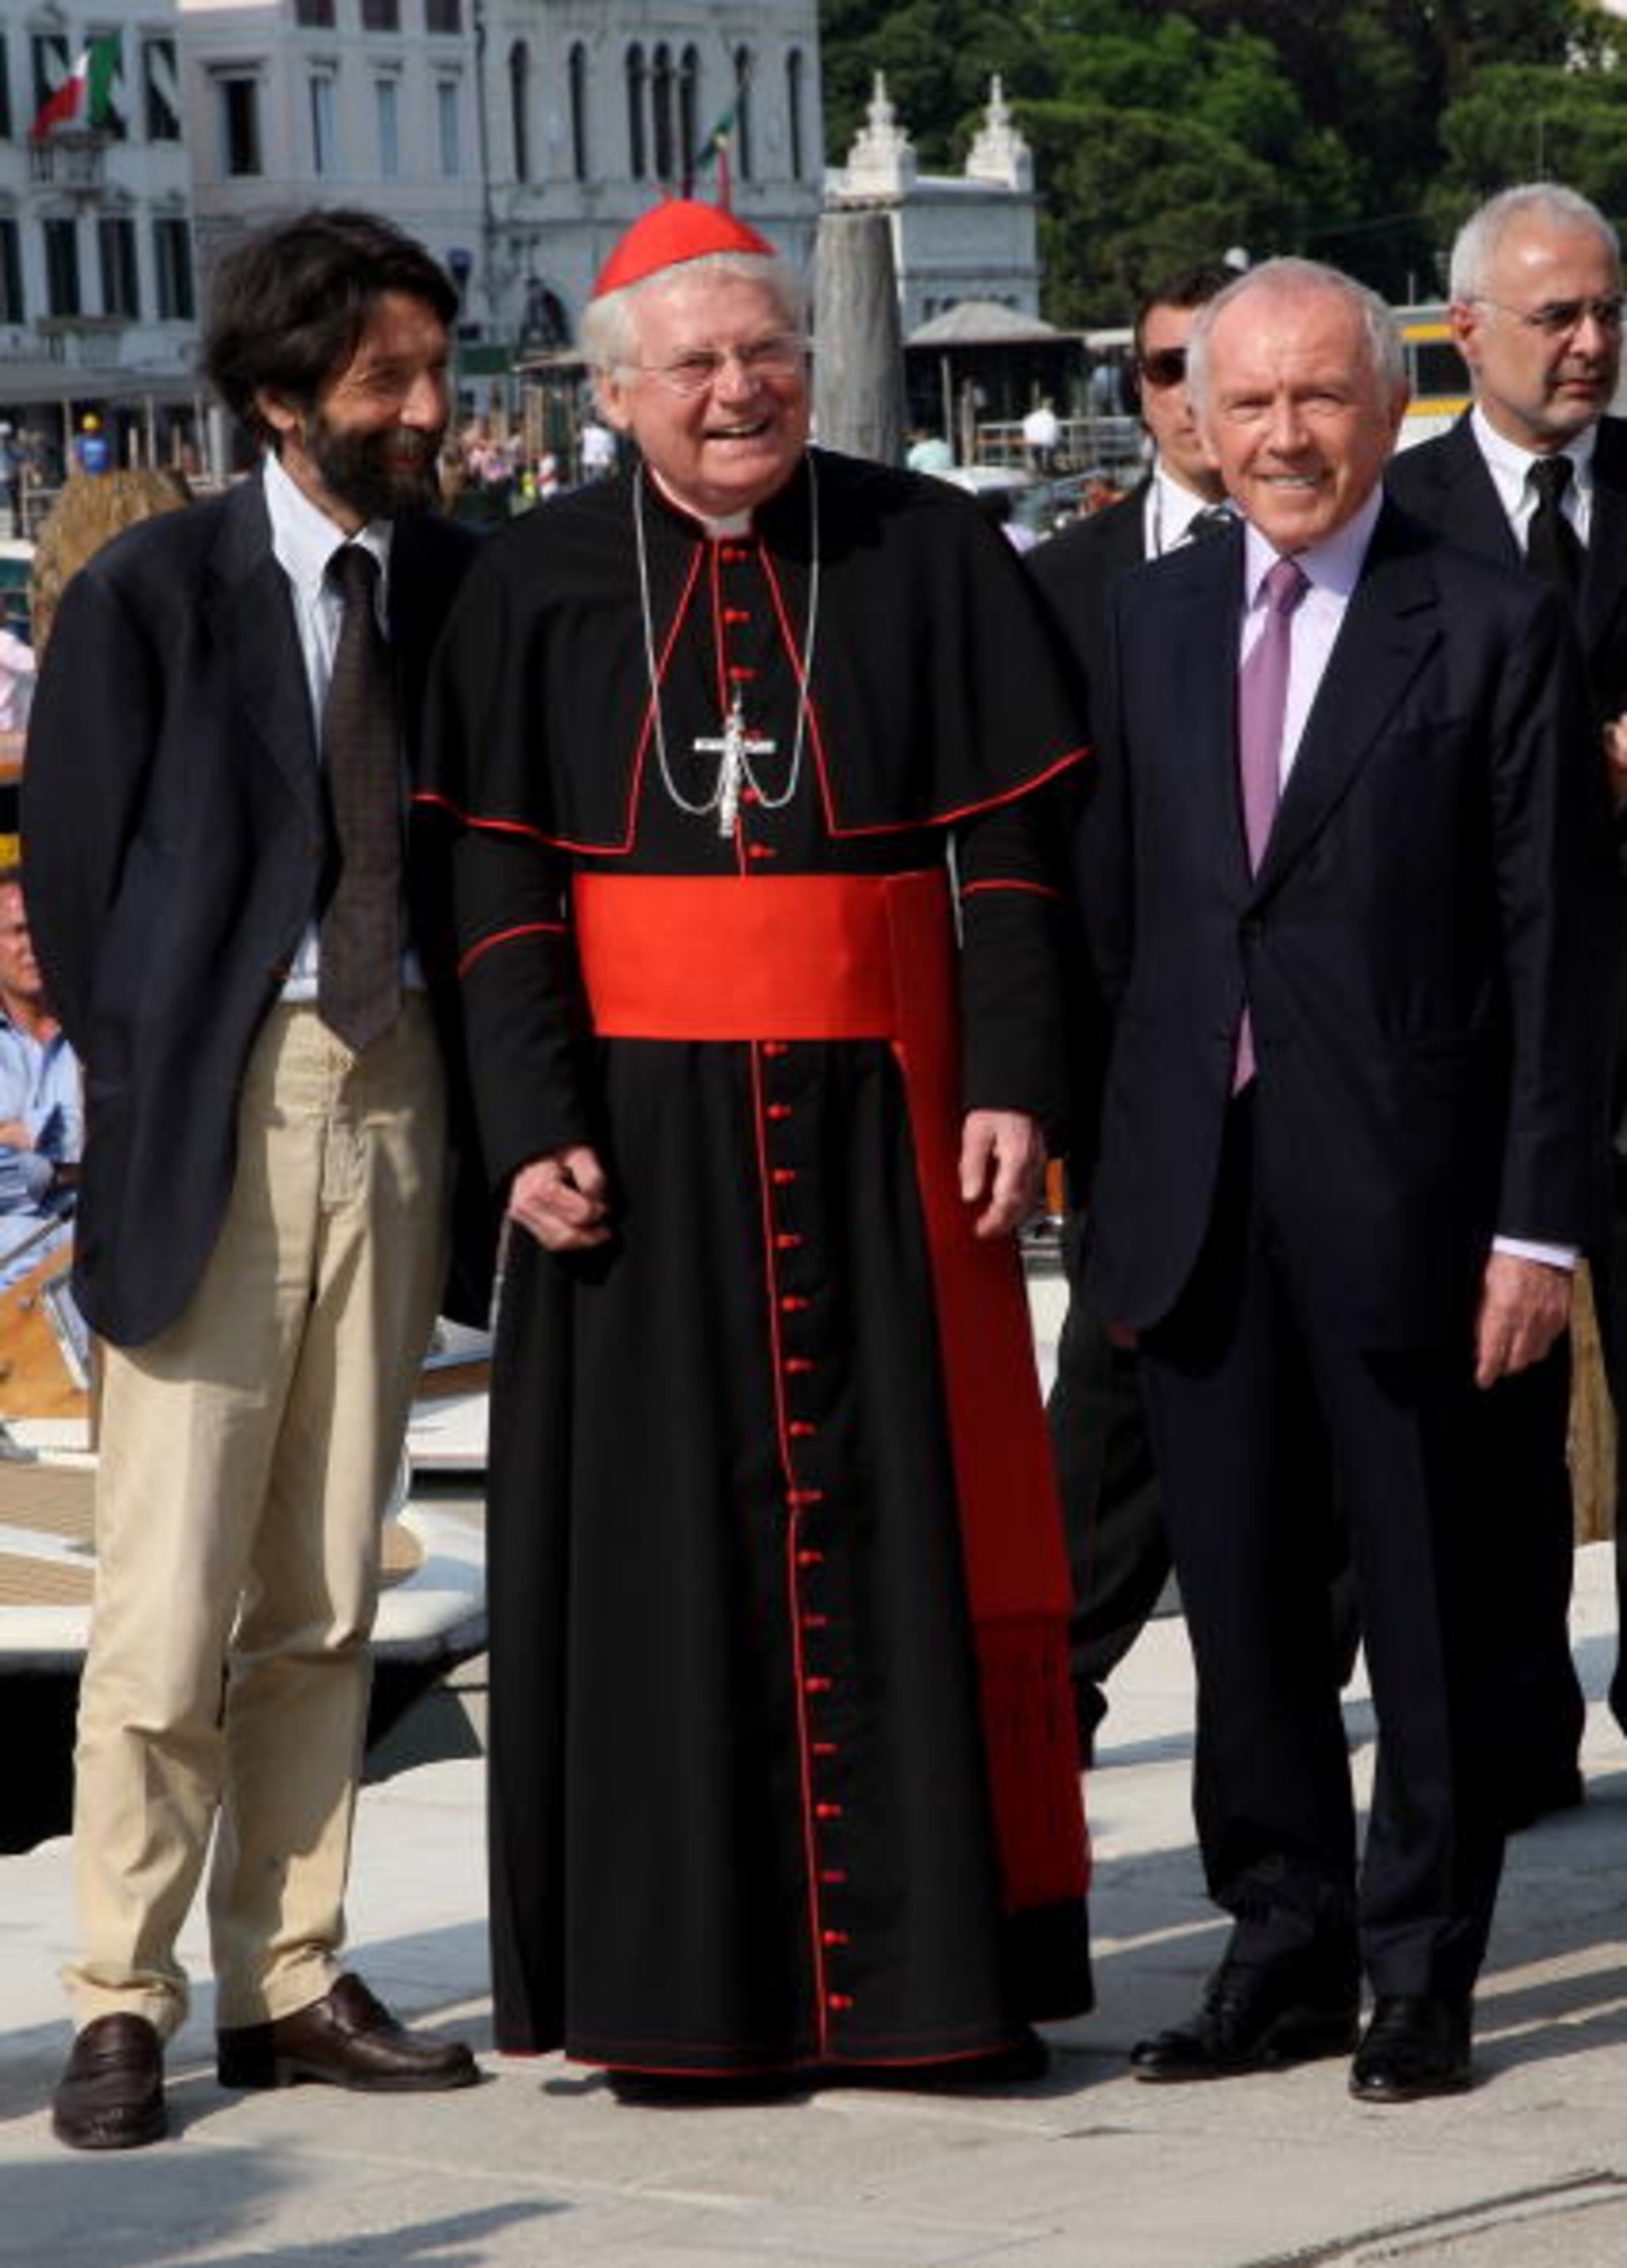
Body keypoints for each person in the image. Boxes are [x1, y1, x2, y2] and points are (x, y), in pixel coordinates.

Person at [421, 196, 1092, 2096]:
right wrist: (527, 1121)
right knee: (659, 1553)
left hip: (886, 1115)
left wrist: (1012, 1079)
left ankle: (930, 1982)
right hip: (632, 1134)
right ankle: (682, 1994)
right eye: (700, 363)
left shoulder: (927, 544)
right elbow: (497, 874)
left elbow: (1012, 855)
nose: (742, 389)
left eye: (768, 353)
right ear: (616, 388)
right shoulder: (535, 579)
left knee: (907, 1525)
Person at [1082, 258, 1615, 2103]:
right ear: (1199, 425)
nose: (1285, 436)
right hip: (1195, 1195)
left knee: (1431, 1607)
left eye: (1320, 399)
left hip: (1418, 1205)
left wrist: (1535, 1218)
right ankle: (1280, 1940)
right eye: (1249, 405)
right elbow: (1117, 914)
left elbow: (1558, 947)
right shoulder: (1143, 620)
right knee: (1235, 1610)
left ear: (1391, 411)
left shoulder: (1483, 624)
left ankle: (1417, 1966)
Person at [24, 207, 484, 2153]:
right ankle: (121, 1997)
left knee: (324, 1585)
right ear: (284, 397)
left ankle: (286, 1971)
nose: (428, 410)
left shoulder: (462, 588)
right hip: (217, 1114)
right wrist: (157, 1097)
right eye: (389, 380)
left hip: (397, 1101)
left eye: (434, 373)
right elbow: (72, 876)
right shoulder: (147, 599)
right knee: (163, 1601)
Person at [1387, 182, 1627, 1814]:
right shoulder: (1390, 519)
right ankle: (1515, 1727)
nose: (1593, 342)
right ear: (1466, 329)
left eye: (1608, 310)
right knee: (1495, 1416)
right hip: (1481, 1040)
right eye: (1557, 316)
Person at [1030, 266, 1242, 1758]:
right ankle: (1051, 1715)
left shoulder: (1397, 567)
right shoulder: (1054, 587)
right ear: (1142, 385)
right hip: (1130, 1078)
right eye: (1172, 368)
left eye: (1223, 367)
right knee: (1107, 1412)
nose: (1198, 398)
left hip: (1330, 1071)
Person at [0, 864, 78, 1289]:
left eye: (42, 928)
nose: (33, 945)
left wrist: (20, 1136)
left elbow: (132, 1144)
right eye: (18, 931)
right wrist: (70, 1160)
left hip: (102, 1272)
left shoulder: (101, 1030)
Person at [1022, 396, 1060, 475]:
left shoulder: (1033, 417)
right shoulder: (1051, 417)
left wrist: (1029, 438)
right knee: (1049, 456)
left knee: (1038, 458)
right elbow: (1054, 432)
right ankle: (1047, 469)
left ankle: (1040, 469)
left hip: (1034, 442)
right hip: (1046, 443)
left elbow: (1026, 425)